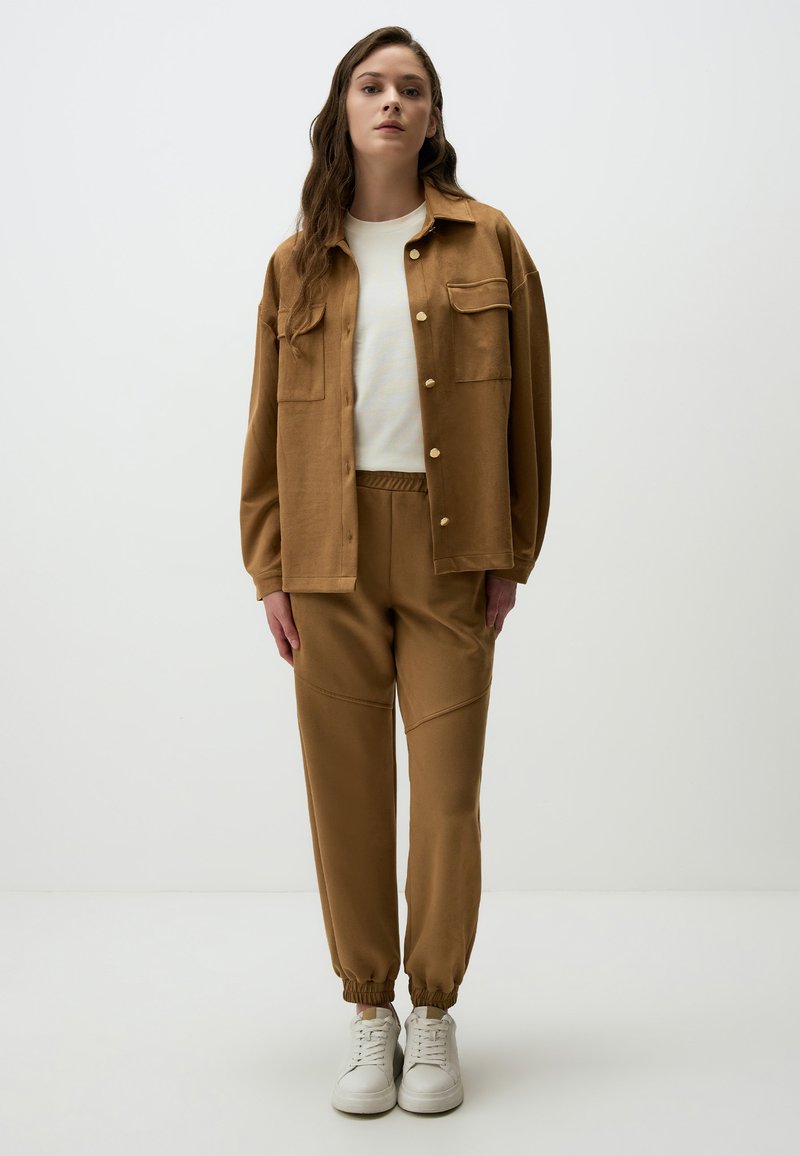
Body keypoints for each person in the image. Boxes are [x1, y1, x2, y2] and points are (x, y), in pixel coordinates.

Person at [240, 26, 552, 1116]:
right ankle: (369, 1010)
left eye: (410, 88)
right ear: (343, 109)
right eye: (371, 85)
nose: (391, 102)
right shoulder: (295, 263)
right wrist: (268, 565)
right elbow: (262, 430)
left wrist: (512, 552)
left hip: (451, 545)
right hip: (324, 549)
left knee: (447, 793)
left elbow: (528, 412)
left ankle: (433, 1012)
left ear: (432, 116)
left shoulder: (488, 240)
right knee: (346, 792)